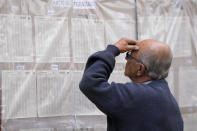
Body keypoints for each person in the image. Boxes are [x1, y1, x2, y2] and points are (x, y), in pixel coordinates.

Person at [79, 37, 183, 131]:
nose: (126, 59)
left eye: (130, 55)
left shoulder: (137, 96)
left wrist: (113, 50)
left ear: (140, 69)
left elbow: (90, 83)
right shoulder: (167, 98)